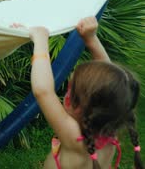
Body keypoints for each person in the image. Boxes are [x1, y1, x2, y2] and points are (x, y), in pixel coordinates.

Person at [28, 17, 143, 169]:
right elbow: (111, 84)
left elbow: (44, 91)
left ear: (71, 102)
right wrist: (90, 39)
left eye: (70, 87)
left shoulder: (74, 137)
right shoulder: (109, 128)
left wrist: (41, 40)